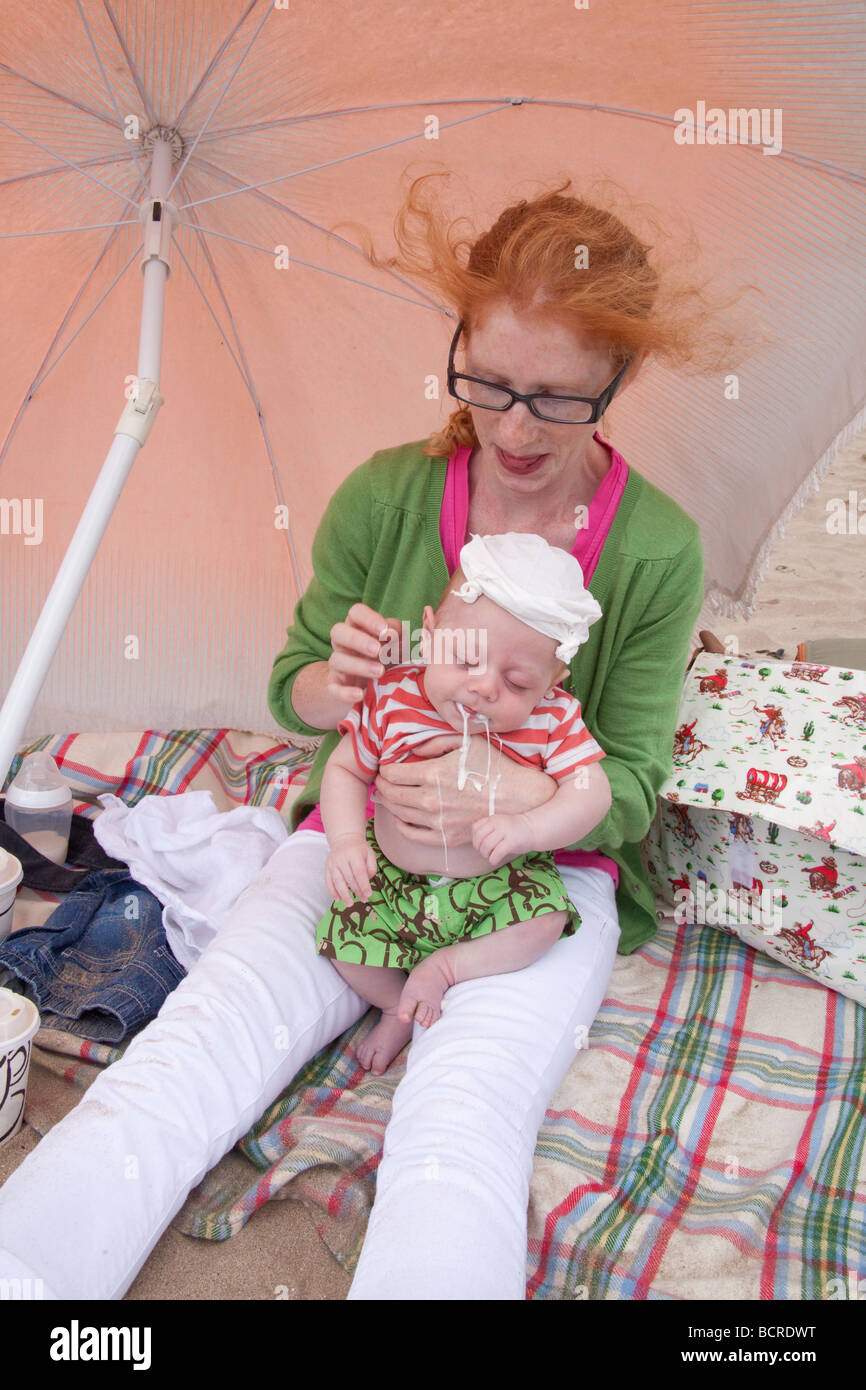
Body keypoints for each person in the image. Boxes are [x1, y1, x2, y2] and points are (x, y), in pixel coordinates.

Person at [0, 174, 706, 1300]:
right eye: (487, 382)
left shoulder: (655, 547)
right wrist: (334, 685)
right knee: (193, 1051)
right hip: (360, 847)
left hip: (535, 878)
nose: (514, 427)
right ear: (457, 343)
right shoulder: (386, 497)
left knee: (460, 1121)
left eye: (557, 398)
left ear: (617, 379)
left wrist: (514, 811)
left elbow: (629, 781)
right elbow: (293, 691)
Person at [317, 531, 611, 1074]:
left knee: (543, 921)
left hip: (496, 883)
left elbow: (593, 792)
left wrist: (531, 829)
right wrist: (346, 842)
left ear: (552, 681)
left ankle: (448, 968)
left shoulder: (553, 718)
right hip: (393, 879)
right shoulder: (391, 696)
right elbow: (344, 768)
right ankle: (393, 1005)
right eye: (466, 658)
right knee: (341, 934)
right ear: (429, 635)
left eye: (517, 682)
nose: (483, 688)